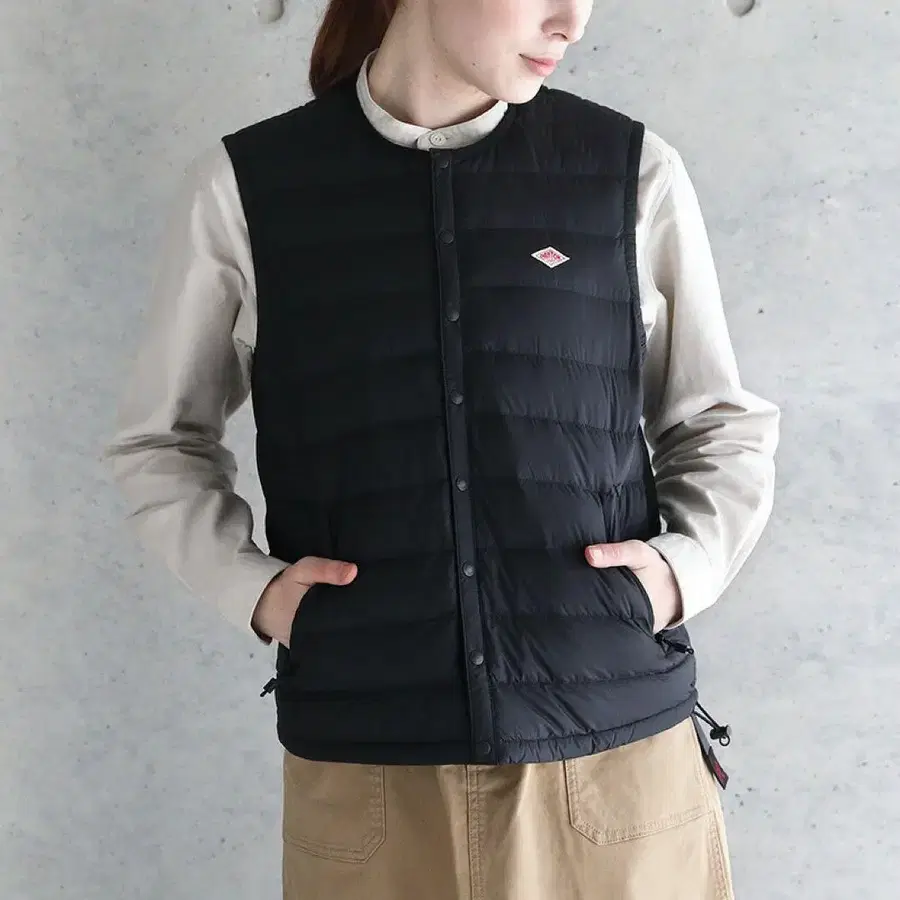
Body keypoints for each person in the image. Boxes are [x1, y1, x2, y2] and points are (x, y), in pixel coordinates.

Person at [103, 0, 780, 897]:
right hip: (370, 772)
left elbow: (718, 422)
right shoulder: (247, 188)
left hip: (615, 765)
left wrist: (676, 576)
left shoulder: (628, 170)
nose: (571, 21)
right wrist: (255, 593)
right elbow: (162, 439)